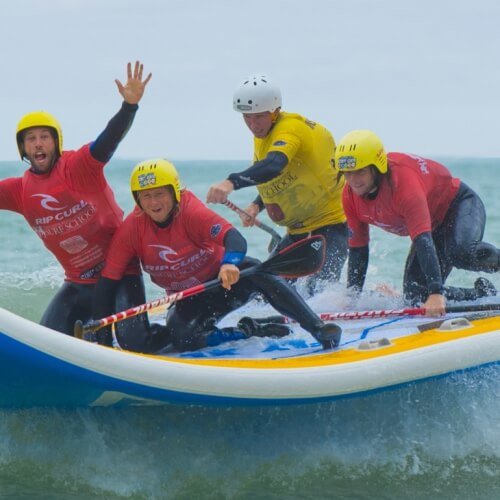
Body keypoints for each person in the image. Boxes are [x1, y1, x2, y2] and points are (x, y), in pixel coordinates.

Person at [92, 158, 342, 353]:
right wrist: (101, 337)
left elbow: (235, 239)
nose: (154, 203)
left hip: (227, 282)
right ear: (137, 199)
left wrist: (228, 264)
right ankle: (251, 330)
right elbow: (109, 281)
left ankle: (319, 329)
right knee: (182, 338)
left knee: (259, 271)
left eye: (160, 194)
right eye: (146, 196)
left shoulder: (189, 211)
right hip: (191, 298)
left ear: (174, 193)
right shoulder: (131, 230)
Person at [0, 61, 152, 336]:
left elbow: (108, 140)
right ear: (22, 148)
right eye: (30, 139)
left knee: (134, 342)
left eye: (44, 137)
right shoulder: (19, 190)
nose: (37, 144)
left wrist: (129, 107)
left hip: (121, 274)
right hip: (79, 285)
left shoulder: (78, 166)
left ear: (56, 142)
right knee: (46, 346)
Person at [206, 74, 347, 291]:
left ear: (275, 111)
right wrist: (256, 205)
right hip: (298, 232)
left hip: (332, 225)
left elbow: (274, 165)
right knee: (268, 290)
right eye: (247, 117)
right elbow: (277, 176)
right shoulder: (265, 134)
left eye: (259, 117)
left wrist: (231, 182)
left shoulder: (290, 129)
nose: (253, 125)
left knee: (319, 294)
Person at [335, 129, 499, 317]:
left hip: (459, 204)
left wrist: (436, 292)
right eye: (347, 173)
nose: (353, 180)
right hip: (432, 225)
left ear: (376, 167)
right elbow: (358, 249)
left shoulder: (402, 184)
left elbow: (422, 239)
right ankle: (482, 294)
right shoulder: (349, 197)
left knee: (460, 253)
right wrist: (351, 298)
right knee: (415, 296)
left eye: (360, 171)